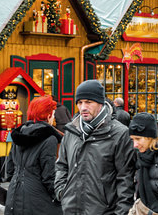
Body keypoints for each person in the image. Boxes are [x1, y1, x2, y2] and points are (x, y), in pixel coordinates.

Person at [55, 80, 136, 214]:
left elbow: (125, 179)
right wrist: (62, 192)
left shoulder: (119, 134)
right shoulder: (71, 130)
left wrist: (121, 212)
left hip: (104, 211)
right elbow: (62, 165)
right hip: (71, 209)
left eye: (88, 102)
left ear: (100, 103)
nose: (83, 107)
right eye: (80, 103)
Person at [5, 95, 63, 215]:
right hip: (38, 200)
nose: (53, 117)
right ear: (48, 116)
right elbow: (48, 176)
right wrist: (60, 196)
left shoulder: (19, 133)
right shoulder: (49, 139)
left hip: (13, 196)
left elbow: (9, 170)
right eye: (53, 114)